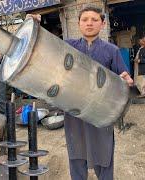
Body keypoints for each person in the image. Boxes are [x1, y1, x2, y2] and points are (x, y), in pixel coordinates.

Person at [29, 5, 133, 180]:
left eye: (94, 20)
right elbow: (45, 49)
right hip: (74, 113)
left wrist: (127, 82)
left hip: (101, 115)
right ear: (78, 24)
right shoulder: (68, 47)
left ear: (102, 23)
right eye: (85, 20)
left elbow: (123, 81)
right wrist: (35, 27)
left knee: (104, 155)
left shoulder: (111, 51)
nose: (89, 23)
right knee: (76, 155)